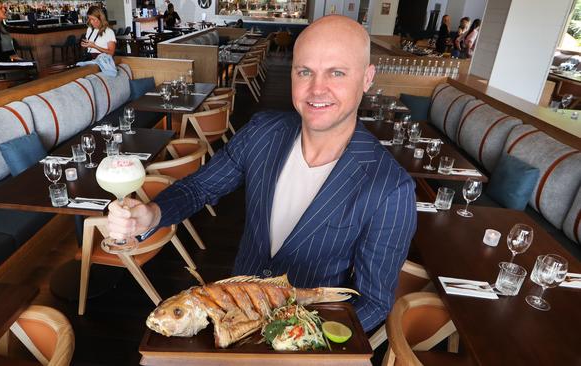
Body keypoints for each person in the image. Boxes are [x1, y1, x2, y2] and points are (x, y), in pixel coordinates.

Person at [107, 15, 416, 332]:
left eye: (336, 73)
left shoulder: (391, 187)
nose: (316, 89)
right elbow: (200, 188)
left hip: (308, 338)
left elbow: (374, 302)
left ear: (366, 78)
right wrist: (153, 213)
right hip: (234, 316)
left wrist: (304, 341)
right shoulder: (262, 131)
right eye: (305, 71)